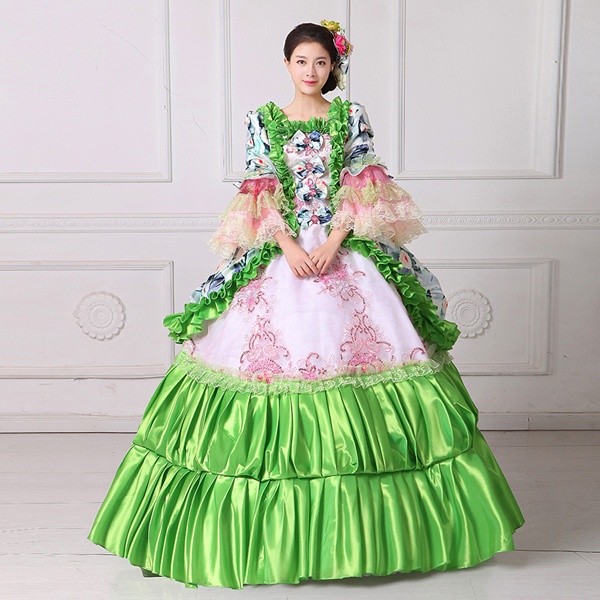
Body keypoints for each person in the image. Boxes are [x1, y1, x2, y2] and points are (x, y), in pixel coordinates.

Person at [88, 21, 525, 589]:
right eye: (301, 61)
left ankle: (381, 534)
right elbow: (260, 188)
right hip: (285, 250)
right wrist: (291, 246)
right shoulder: (263, 120)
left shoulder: (350, 117)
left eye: (321, 62)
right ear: (286, 64)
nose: (311, 72)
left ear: (333, 66)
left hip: (342, 246)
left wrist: (333, 242)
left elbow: (362, 186)